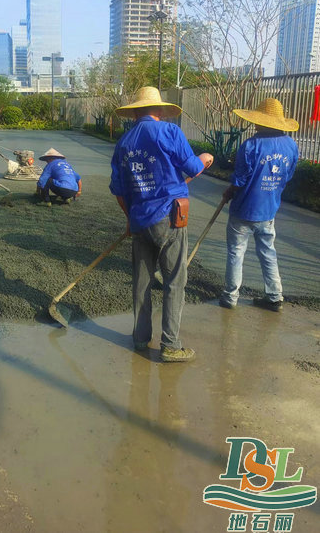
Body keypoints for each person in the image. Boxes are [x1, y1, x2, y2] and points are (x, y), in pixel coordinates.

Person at [110, 86, 214, 362]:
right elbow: (192, 168)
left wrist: (130, 220)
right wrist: (204, 159)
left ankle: (141, 338)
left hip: (140, 221)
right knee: (174, 282)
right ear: (159, 110)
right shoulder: (169, 133)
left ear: (136, 113)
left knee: (142, 282)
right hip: (169, 218)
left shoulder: (124, 143)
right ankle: (170, 345)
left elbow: (119, 190)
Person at [219, 98, 299, 312]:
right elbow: (287, 175)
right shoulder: (291, 145)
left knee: (236, 252)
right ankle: (274, 297)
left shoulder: (250, 145)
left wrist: (229, 191)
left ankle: (230, 297)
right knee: (268, 252)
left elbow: (239, 180)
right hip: (268, 211)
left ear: (261, 122)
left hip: (243, 211)